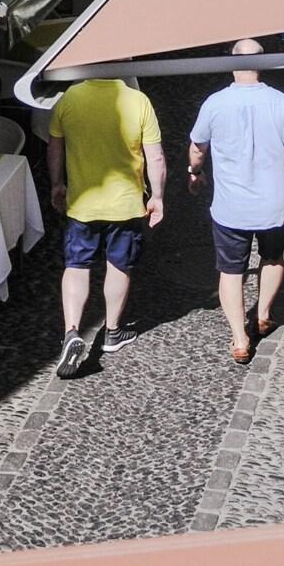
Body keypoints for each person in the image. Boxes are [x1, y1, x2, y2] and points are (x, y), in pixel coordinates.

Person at [187, 41, 284, 363]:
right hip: (273, 204)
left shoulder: (215, 103)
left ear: (231, 64)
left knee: (231, 270)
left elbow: (198, 148)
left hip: (231, 207)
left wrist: (195, 172)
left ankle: (240, 338)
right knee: (272, 257)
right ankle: (262, 315)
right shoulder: (280, 102)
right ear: (264, 63)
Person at [47, 77, 166, 377]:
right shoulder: (139, 101)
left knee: (76, 266)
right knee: (118, 266)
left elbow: (55, 148)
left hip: (82, 203)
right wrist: (158, 196)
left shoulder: (69, 98)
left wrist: (57, 184)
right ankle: (112, 331)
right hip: (125, 205)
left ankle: (71, 331)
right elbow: (155, 156)